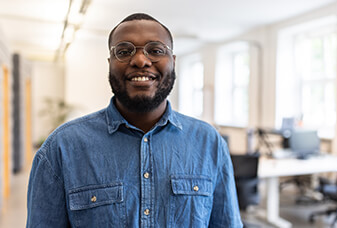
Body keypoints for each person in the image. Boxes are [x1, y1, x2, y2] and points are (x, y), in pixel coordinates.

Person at [26, 13, 243, 227]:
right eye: (124, 51)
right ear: (110, 63)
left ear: (173, 62)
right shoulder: (61, 148)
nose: (140, 60)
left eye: (156, 50)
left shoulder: (209, 143)